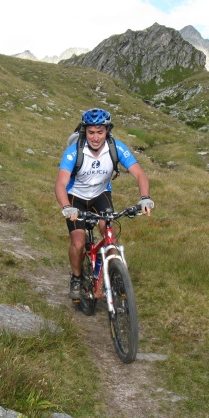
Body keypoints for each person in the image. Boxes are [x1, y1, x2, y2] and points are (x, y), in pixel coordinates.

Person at [54, 108, 154, 299]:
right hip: (76, 198)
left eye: (100, 132)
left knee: (110, 236)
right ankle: (76, 277)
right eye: (91, 132)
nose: (95, 138)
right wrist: (67, 207)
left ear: (107, 130)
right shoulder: (74, 152)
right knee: (78, 242)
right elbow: (60, 183)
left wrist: (145, 198)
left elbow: (140, 174)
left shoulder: (116, 148)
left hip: (101, 195)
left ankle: (115, 276)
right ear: (85, 132)